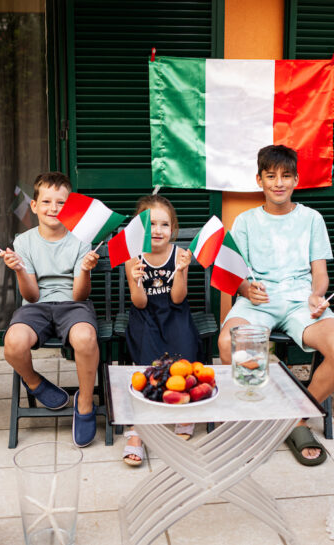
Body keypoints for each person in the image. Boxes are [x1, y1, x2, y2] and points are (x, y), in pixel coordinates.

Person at [217, 145, 334, 466]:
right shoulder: (245, 221)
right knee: (228, 343)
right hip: (260, 301)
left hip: (300, 301)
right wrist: (245, 289)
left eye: (285, 176)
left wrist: (317, 294)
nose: (278, 183)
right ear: (259, 180)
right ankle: (261, 412)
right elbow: (235, 274)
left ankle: (295, 416)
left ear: (296, 179)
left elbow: (320, 274)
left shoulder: (311, 218)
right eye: (271, 176)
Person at [0, 172, 102, 447]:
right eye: (46, 201)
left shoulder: (81, 240)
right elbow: (31, 296)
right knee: (13, 343)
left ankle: (84, 400)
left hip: (74, 304)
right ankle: (34, 382)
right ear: (34, 206)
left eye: (61, 202)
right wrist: (20, 270)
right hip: (37, 306)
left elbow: (80, 294)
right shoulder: (24, 242)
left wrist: (84, 270)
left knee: (85, 338)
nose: (53, 208)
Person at [123, 195, 203, 466]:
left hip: (174, 312)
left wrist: (181, 272)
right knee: (148, 360)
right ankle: (139, 427)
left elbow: (178, 298)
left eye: (164, 225)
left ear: (173, 228)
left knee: (185, 352)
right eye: (150, 224)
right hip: (146, 313)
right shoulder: (132, 258)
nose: (157, 230)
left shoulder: (179, 255)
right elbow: (139, 302)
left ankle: (184, 409)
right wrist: (136, 281)